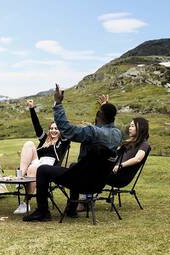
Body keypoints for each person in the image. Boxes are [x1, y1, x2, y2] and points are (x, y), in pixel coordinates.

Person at [23, 85, 122, 222]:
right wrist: (106, 108)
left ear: (99, 115)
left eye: (99, 112)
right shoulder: (117, 134)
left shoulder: (92, 132)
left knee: (42, 170)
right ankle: (71, 209)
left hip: (82, 181)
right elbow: (106, 126)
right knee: (74, 165)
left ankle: (43, 212)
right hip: (98, 182)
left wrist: (58, 103)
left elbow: (67, 129)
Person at [14, 99, 70, 214]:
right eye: (51, 128)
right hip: (38, 162)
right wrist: (31, 109)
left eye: (56, 129)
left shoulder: (63, 141)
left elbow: (66, 129)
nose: (53, 131)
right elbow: (37, 125)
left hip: (51, 167)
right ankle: (20, 179)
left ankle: (26, 202)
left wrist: (58, 108)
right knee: (29, 144)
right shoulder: (44, 140)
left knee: (34, 168)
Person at [106, 117, 150, 187]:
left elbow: (137, 159)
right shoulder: (127, 143)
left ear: (140, 128)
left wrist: (120, 166)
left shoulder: (144, 144)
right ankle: (89, 193)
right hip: (112, 171)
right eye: (130, 126)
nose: (129, 128)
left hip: (120, 177)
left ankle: (89, 194)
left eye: (132, 126)